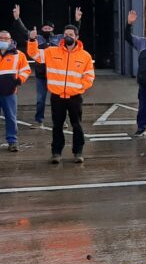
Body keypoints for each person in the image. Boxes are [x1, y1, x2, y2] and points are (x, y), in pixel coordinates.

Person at [28, 24, 95, 164]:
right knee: (57, 126)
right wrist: (32, 40)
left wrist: (80, 87)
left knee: (77, 125)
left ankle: (78, 152)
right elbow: (34, 54)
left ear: (77, 37)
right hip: (57, 97)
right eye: (66, 35)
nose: (68, 37)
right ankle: (56, 153)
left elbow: (89, 76)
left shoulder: (85, 56)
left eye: (71, 35)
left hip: (75, 97)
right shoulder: (51, 52)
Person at [13, 4, 82, 125]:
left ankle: (62, 121)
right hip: (41, 76)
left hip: (56, 76)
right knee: (40, 99)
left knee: (60, 100)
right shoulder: (37, 38)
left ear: (53, 29)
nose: (47, 30)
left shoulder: (59, 39)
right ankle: (39, 120)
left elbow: (72, 34)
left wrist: (77, 21)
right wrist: (17, 18)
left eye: (49, 28)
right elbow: (24, 32)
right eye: (45, 28)